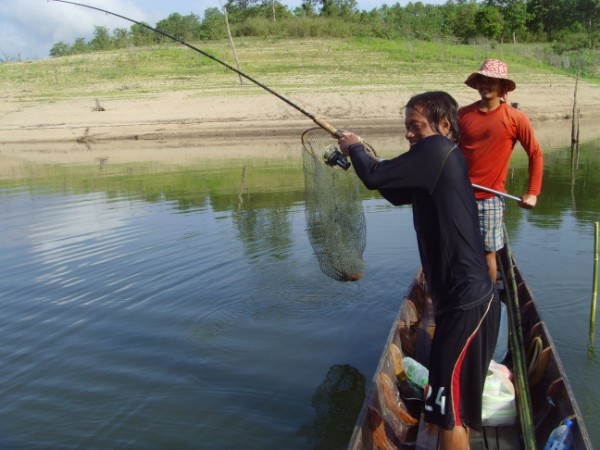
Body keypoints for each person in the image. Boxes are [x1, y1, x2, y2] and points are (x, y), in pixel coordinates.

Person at [337, 91, 500, 450]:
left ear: (444, 125)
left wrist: (354, 147)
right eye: (406, 126)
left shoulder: (437, 149)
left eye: (416, 126)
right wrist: (366, 157)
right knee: (450, 407)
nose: (409, 133)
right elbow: (393, 191)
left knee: (447, 412)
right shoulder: (438, 159)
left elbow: (375, 177)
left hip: (465, 305)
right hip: (466, 303)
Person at [459, 58, 543, 283]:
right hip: (458, 195)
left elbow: (535, 154)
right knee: (457, 251)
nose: (485, 84)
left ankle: (487, 300)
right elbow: (446, 152)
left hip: (490, 198)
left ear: (503, 87)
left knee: (488, 252)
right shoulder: (463, 115)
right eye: (482, 80)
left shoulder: (516, 118)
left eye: (491, 81)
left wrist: (532, 192)